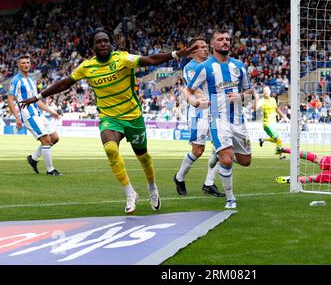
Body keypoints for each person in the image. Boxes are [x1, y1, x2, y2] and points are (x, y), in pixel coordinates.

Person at [20, 28, 198, 214]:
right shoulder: (87, 67)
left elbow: (151, 60)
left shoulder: (122, 58)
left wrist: (176, 54)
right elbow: (65, 83)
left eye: (106, 41)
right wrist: (39, 96)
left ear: (111, 43)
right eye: (99, 41)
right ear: (93, 46)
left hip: (132, 117)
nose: (103, 44)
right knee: (111, 150)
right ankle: (130, 192)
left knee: (143, 157)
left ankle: (152, 187)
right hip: (109, 118)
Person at [185, 29, 253, 209]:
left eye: (227, 39)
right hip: (217, 120)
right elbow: (188, 91)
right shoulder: (205, 67)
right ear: (213, 44)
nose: (225, 42)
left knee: (246, 161)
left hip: (238, 121)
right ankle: (231, 198)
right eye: (220, 39)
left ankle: (220, 153)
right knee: (227, 160)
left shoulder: (239, 66)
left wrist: (242, 97)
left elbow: (250, 92)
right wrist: (195, 102)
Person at [172, 36, 225, 197]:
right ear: (193, 50)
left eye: (205, 46)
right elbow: (194, 90)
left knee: (221, 148)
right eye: (201, 47)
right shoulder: (190, 67)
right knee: (198, 150)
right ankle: (179, 177)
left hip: (215, 112)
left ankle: (209, 183)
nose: (205, 48)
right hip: (199, 114)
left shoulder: (212, 65)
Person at [7, 54, 62, 176]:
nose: (26, 65)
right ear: (18, 65)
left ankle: (33, 158)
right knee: (46, 140)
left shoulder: (32, 80)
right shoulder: (16, 81)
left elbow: (37, 100)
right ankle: (50, 170)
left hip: (39, 114)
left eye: (27, 62)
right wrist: (17, 117)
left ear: (30, 64)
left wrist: (51, 111)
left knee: (55, 138)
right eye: (23, 63)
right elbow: (10, 100)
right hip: (28, 115)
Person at [254, 86, 289, 159]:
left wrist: (284, 116)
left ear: (270, 91)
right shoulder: (262, 100)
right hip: (267, 124)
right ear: (263, 92)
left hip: (274, 123)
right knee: (278, 139)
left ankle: (263, 140)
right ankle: (280, 154)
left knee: (277, 139)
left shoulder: (273, 100)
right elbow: (255, 108)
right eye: (264, 90)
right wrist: (256, 99)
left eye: (267, 90)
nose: (265, 91)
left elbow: (277, 109)